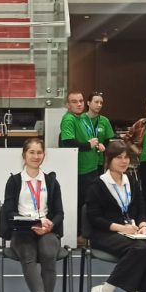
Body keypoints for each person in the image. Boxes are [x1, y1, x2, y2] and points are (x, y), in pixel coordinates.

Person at [85, 140, 146, 292]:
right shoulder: (97, 184)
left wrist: (143, 224)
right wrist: (122, 227)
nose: (124, 161)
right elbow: (94, 218)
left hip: (131, 232)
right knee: (140, 249)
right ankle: (105, 291)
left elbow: (141, 207)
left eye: (126, 157)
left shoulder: (131, 181)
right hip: (104, 233)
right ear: (109, 159)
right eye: (119, 158)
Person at [0, 137, 65, 292]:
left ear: (44, 155)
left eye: (39, 152)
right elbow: (9, 211)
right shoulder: (14, 181)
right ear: (24, 155)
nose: (36, 156)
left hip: (46, 230)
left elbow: (59, 213)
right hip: (22, 231)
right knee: (28, 255)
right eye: (31, 152)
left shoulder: (51, 181)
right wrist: (30, 221)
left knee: (48, 253)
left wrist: (50, 225)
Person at [60, 90, 108, 237]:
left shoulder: (82, 118)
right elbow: (67, 142)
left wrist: (97, 144)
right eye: (74, 102)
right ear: (68, 105)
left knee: (90, 202)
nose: (79, 104)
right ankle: (80, 234)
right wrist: (88, 145)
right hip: (80, 169)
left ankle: (87, 233)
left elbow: (89, 139)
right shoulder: (69, 119)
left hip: (92, 166)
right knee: (83, 203)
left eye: (80, 101)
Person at [123, 96, 146, 221]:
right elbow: (127, 138)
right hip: (145, 162)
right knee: (145, 194)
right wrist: (137, 150)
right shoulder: (142, 123)